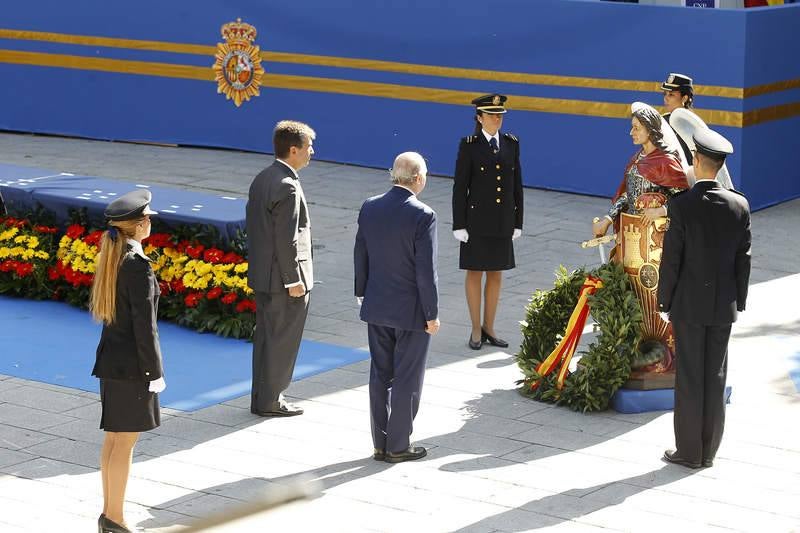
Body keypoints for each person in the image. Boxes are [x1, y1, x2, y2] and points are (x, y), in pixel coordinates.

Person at [657, 128, 751, 469]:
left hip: (688, 305)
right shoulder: (740, 204)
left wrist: (664, 301)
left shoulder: (682, 205)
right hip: (723, 306)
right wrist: (738, 300)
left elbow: (672, 259)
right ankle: (709, 450)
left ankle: (688, 451)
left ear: (696, 160)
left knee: (690, 377)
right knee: (715, 375)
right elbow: (744, 258)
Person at [354, 152, 440, 463]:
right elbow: (425, 272)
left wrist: (361, 294)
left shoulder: (370, 206)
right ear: (418, 179)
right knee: (407, 377)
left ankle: (380, 442)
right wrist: (431, 314)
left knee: (381, 374)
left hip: (376, 305)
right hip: (410, 312)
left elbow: (360, 253)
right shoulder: (423, 215)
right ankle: (399, 445)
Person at [90, 189, 164, 533]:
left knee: (114, 442)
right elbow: (144, 326)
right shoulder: (137, 265)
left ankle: (110, 514)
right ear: (137, 226)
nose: (150, 221)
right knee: (124, 445)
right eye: (146, 218)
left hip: (112, 363)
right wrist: (154, 372)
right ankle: (115, 518)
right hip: (133, 367)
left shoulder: (116, 255)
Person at [246, 120, 315, 417]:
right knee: (282, 340)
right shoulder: (287, 185)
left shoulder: (263, 177)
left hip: (264, 275)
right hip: (283, 279)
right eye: (308, 147)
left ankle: (262, 397)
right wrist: (293, 280)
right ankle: (272, 399)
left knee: (265, 338)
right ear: (293, 149)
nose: (312, 152)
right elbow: (286, 238)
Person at [452, 93, 523, 350]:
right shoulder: (469, 145)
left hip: (502, 219)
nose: (497, 119)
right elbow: (460, 187)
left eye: (500, 115)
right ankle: (475, 329)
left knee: (496, 274)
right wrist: (459, 224)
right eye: (492, 115)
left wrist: (518, 221)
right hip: (476, 221)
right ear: (480, 118)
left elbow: (517, 185)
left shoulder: (511, 143)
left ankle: (489, 327)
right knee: (475, 272)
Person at [661, 72, 695, 165]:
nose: (666, 98)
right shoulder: (661, 121)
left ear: (684, 98)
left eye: (671, 95)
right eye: (665, 94)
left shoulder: (693, 124)